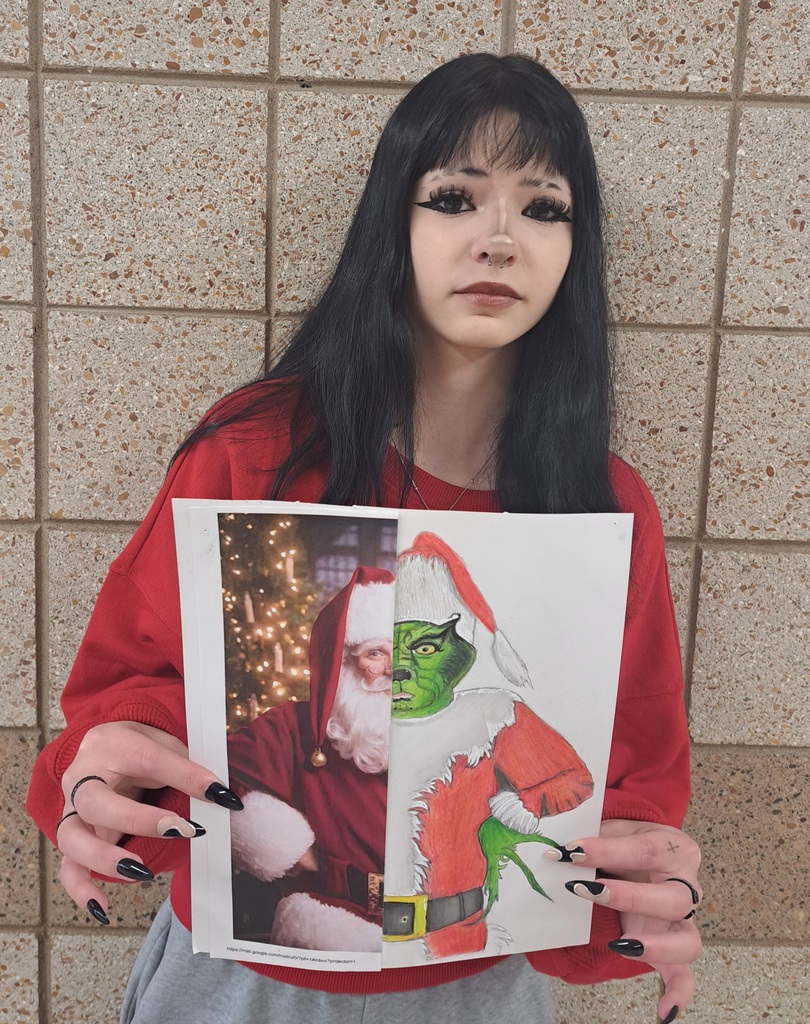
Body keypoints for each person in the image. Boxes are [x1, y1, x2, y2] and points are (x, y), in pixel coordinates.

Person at [26, 53, 701, 1024]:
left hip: (476, 988)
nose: (501, 238)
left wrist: (633, 888)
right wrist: (105, 780)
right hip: (240, 983)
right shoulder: (253, 452)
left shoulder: (607, 509)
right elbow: (129, 692)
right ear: (394, 221)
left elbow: (627, 791)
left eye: (544, 207)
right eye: (455, 196)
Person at [227, 566, 395, 951]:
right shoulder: (294, 727)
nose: (392, 669)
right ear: (347, 664)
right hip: (331, 925)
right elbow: (215, 774)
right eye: (375, 653)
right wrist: (287, 846)